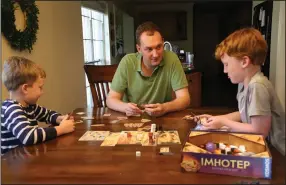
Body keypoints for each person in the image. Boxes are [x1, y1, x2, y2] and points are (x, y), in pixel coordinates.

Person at [196, 28, 285, 155]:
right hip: (262, 146)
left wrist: (223, 122)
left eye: (226, 64)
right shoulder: (244, 84)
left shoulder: (257, 86)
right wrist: (217, 119)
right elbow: (244, 113)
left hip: (277, 153)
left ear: (244, 61)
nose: (225, 70)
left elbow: (259, 131)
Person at [106, 21, 190, 117]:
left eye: (159, 47)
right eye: (149, 49)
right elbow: (111, 99)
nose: (155, 54)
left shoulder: (172, 59)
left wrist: (165, 108)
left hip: (162, 119)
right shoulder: (127, 62)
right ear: (139, 49)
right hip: (132, 120)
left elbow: (185, 99)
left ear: (163, 42)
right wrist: (125, 107)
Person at [1, 56, 75, 154]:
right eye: (40, 87)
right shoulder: (12, 109)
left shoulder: (29, 106)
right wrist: (61, 129)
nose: (42, 92)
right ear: (25, 89)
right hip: (12, 165)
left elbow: (47, 114)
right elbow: (28, 136)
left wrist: (59, 118)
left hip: (27, 159)